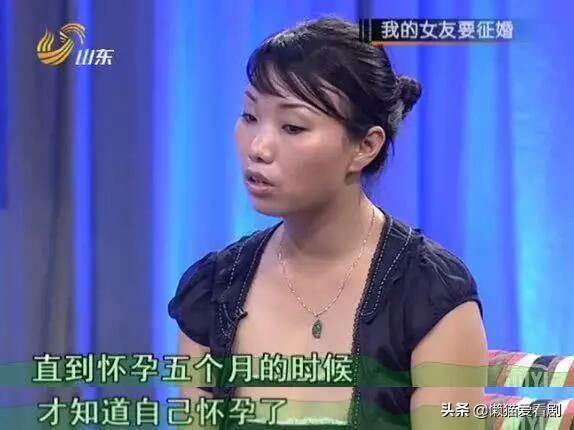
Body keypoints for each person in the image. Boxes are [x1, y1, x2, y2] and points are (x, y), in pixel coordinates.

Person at [168, 15, 487, 430]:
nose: (258, 147)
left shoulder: (430, 296)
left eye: (293, 126)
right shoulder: (212, 291)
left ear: (365, 146)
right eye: (249, 116)